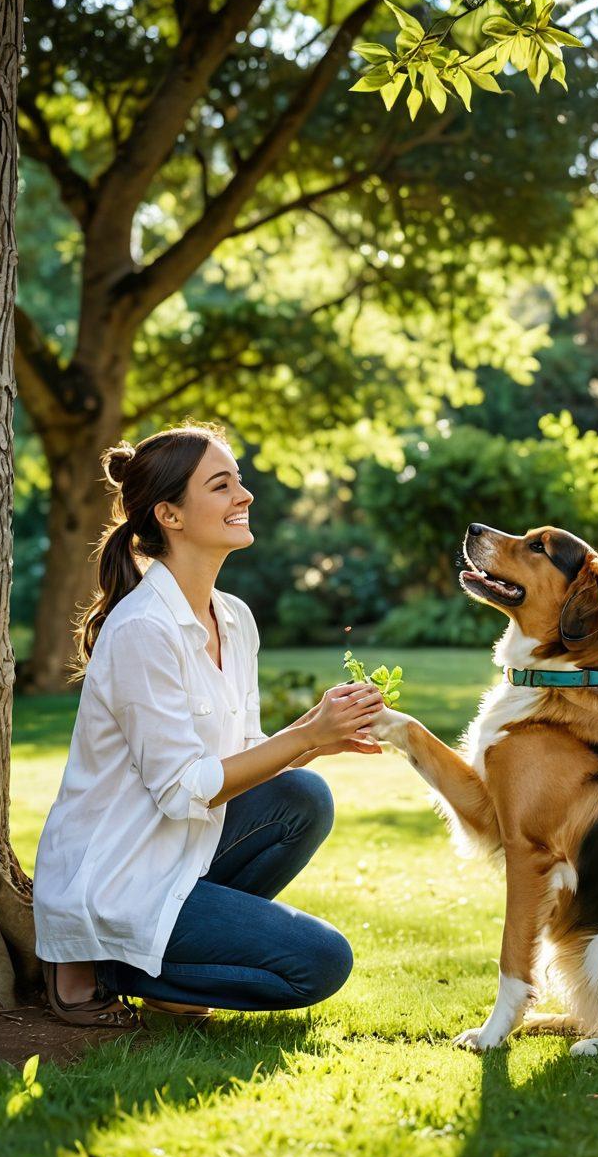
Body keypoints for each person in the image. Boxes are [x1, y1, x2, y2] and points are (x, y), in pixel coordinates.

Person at [33, 418, 384, 1026]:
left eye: (238, 481)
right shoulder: (144, 628)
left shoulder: (235, 618)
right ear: (169, 515)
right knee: (321, 961)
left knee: (302, 796)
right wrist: (305, 734)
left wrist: (319, 736)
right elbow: (182, 791)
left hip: (182, 859)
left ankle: (168, 970)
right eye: (222, 486)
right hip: (122, 877)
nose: (244, 496)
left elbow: (241, 756)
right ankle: (99, 963)